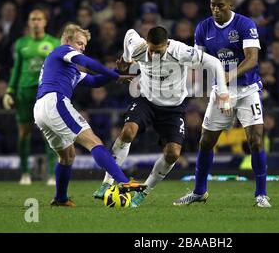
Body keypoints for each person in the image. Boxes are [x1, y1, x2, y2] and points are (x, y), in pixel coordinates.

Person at [93, 26, 231, 207]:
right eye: (151, 50)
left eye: (158, 51)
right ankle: (107, 183)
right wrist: (127, 58)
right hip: (147, 101)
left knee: (173, 153)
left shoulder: (180, 51)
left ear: (167, 44)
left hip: (173, 109)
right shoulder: (139, 48)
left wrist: (223, 93)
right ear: (147, 44)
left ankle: (144, 191)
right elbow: (129, 33)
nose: (153, 55)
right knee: (127, 132)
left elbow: (213, 63)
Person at [173, 0, 271, 208]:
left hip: (247, 89)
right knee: (206, 141)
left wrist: (230, 74)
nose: (216, 10)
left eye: (221, 6)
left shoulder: (245, 25)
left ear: (231, 5)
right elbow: (197, 60)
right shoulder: (203, 28)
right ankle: (199, 191)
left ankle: (261, 195)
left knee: (255, 140)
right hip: (221, 91)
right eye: (213, 5)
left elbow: (253, 59)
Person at [33, 24, 146, 207]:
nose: (82, 49)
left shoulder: (69, 68)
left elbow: (94, 81)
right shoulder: (63, 50)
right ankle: (123, 181)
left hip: (41, 109)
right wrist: (114, 75)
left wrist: (117, 72)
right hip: (55, 102)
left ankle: (60, 198)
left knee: (67, 155)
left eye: (84, 46)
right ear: (68, 40)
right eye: (80, 43)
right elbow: (88, 63)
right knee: (94, 142)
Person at [3, 10, 60, 185]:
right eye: (32, 19)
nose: (35, 22)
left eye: (39, 19)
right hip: (24, 91)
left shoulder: (54, 43)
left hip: (45, 91)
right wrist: (9, 90)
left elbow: (60, 68)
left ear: (45, 22)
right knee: (24, 132)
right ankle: (25, 173)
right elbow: (17, 68)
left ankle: (51, 174)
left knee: (48, 132)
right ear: (29, 22)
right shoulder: (21, 43)